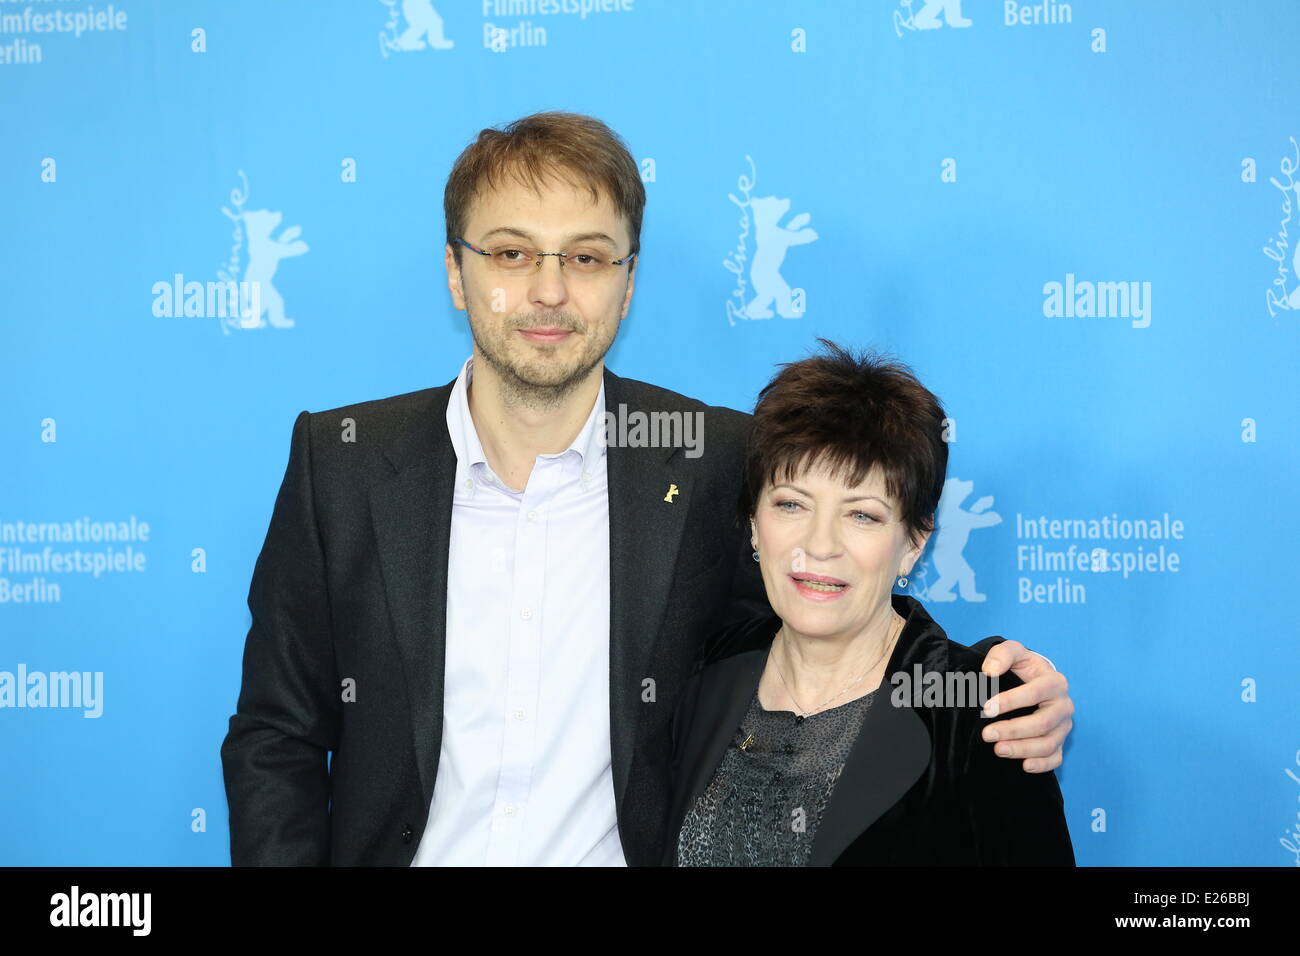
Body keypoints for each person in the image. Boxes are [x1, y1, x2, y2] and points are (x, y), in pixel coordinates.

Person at [219, 112, 1075, 867]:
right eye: (512, 252)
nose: (549, 290)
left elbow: (835, 598)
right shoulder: (343, 462)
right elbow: (277, 737)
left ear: (628, 283)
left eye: (587, 257)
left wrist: (986, 688)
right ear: (456, 271)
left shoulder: (712, 459)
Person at [665, 341, 1075, 865]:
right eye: (791, 504)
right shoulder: (702, 671)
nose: (819, 544)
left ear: (914, 541)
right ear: (753, 523)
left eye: (862, 515)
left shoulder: (981, 713)